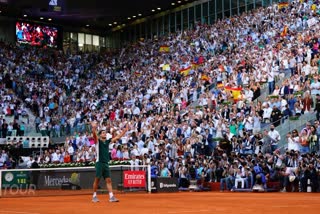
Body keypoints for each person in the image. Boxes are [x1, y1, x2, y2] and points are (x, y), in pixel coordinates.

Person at [91, 121, 129, 203]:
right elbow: (94, 135)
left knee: (108, 180)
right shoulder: (98, 142)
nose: (105, 134)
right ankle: (94, 196)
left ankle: (111, 197)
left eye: (105, 133)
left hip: (105, 163)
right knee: (97, 180)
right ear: (100, 135)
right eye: (103, 133)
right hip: (99, 163)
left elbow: (117, 137)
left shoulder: (107, 142)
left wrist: (124, 131)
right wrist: (94, 128)